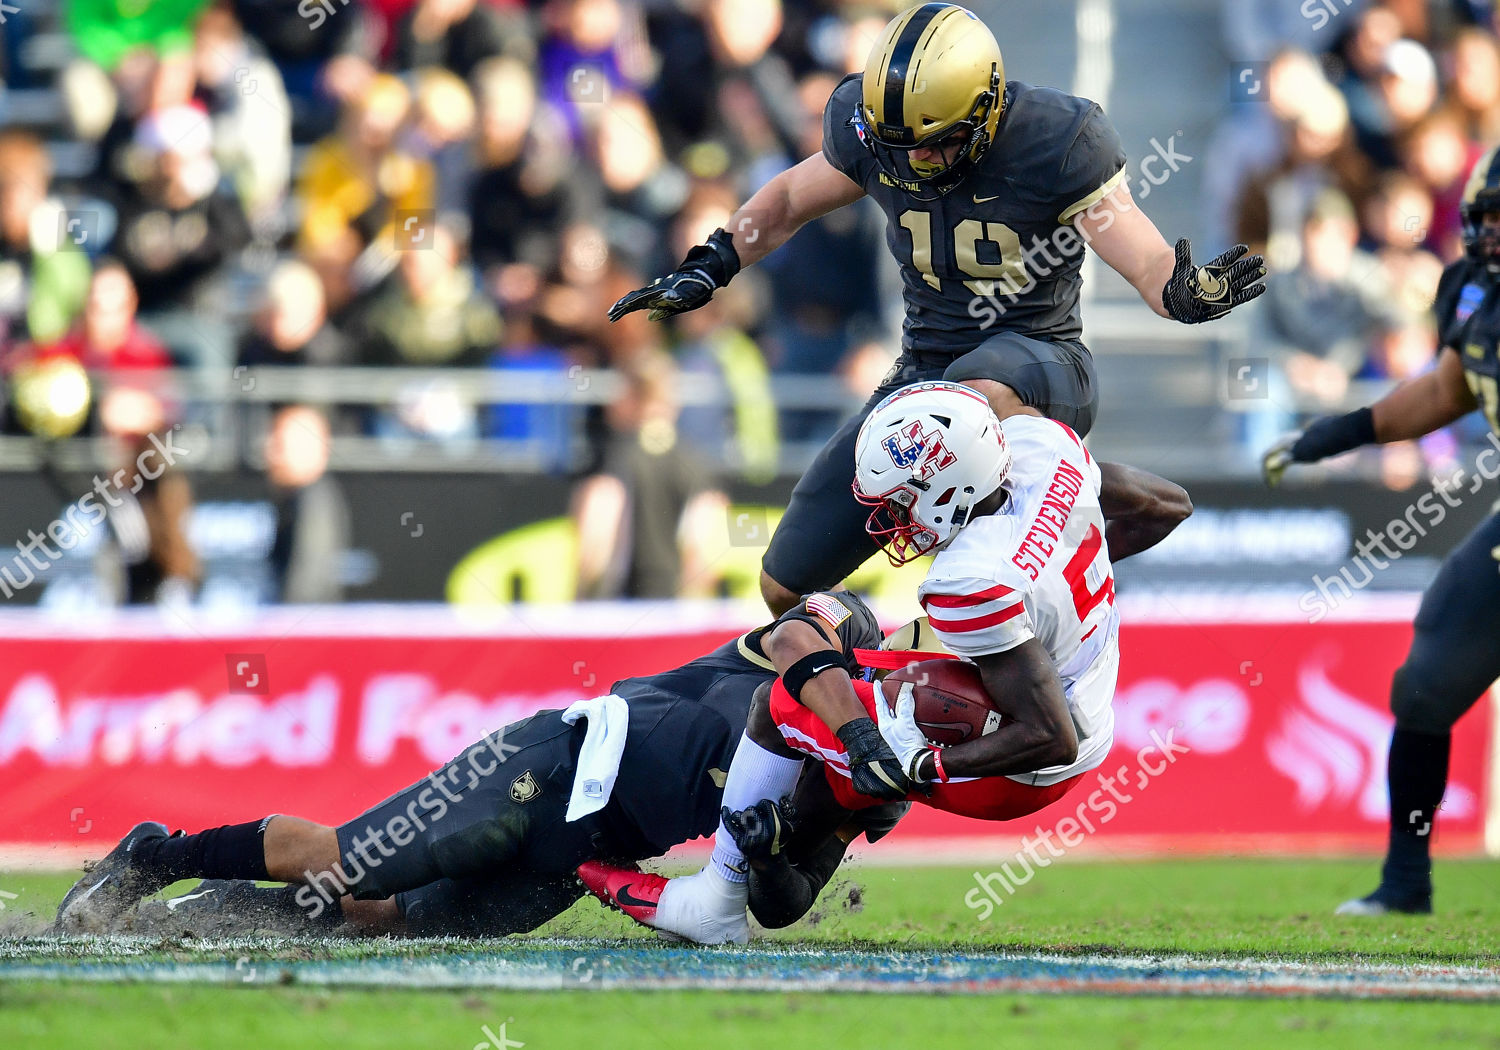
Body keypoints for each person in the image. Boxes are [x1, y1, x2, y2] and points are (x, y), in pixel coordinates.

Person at [606, 2, 1264, 618]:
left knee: (966, 404)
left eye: (934, 143)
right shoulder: (877, 134)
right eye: (898, 146)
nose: (915, 160)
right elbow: (784, 201)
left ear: (990, 108)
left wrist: (1182, 291)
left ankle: (1090, 482)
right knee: (785, 585)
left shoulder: (1056, 140)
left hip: (1041, 363)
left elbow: (1146, 259)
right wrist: (712, 261)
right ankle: (875, 691)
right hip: (924, 373)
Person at [580, 381, 1190, 943]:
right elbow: (1170, 504)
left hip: (1022, 763)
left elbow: (1050, 736)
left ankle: (713, 900)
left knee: (784, 701)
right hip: (1076, 710)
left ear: (950, 487)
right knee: (815, 817)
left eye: (902, 502)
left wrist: (920, 765)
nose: (891, 521)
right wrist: (1059, 546)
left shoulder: (968, 582)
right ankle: (774, 850)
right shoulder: (1045, 448)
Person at [54, 590, 902, 937]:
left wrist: (761, 855)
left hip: (597, 849)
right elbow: (799, 631)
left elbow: (785, 904)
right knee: (351, 860)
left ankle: (207, 909)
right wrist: (857, 733)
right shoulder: (813, 654)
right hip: (558, 766)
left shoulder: (874, 788)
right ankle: (152, 856)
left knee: (388, 921)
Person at [1261, 145, 1500, 917]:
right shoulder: (1476, 297)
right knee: (1424, 687)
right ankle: (1405, 882)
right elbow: (1447, 391)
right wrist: (1336, 433)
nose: (1493, 237)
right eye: (1487, 220)